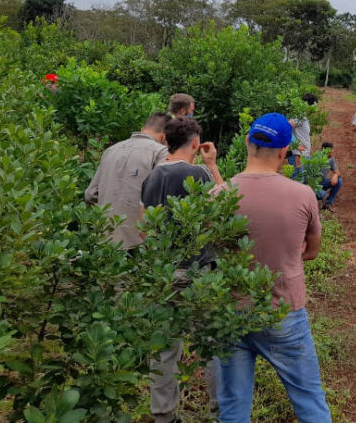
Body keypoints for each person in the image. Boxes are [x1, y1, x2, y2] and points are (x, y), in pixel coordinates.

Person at [214, 113, 332, 422]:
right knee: (309, 400)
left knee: (233, 408)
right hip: (283, 312)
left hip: (230, 313)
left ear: (246, 142)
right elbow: (313, 251)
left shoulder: (218, 195)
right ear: (285, 152)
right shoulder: (303, 195)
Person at [140, 117, 224, 423]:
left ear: (165, 142)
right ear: (194, 143)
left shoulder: (151, 178)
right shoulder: (198, 173)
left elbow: (144, 225)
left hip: (162, 275)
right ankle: (219, 411)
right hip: (197, 271)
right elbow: (225, 207)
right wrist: (213, 165)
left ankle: (164, 415)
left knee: (163, 348)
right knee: (211, 345)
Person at [85, 112, 170, 250]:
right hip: (138, 242)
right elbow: (162, 195)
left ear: (143, 128)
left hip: (104, 240)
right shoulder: (161, 152)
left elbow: (90, 194)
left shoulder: (110, 150)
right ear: (164, 137)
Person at [288, 93, 318, 171]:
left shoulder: (303, 117)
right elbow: (286, 127)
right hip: (297, 156)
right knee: (298, 180)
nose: (316, 109)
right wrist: (295, 145)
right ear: (309, 105)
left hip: (303, 155)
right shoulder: (299, 116)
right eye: (315, 106)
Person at [319, 142, 342, 212]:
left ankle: (328, 204)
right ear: (324, 150)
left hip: (322, 181)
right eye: (331, 150)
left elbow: (338, 172)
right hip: (314, 183)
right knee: (322, 194)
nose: (332, 151)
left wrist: (335, 175)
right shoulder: (317, 158)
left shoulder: (331, 159)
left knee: (339, 181)